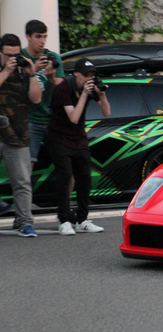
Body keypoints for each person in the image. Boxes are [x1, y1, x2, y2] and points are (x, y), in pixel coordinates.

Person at [48, 58, 110, 235]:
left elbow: (107, 112)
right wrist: (84, 94)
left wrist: (102, 94)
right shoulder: (64, 87)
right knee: (65, 176)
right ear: (76, 74)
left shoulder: (90, 87)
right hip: (58, 137)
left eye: (92, 75)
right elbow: (74, 117)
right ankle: (64, 220)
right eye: (85, 75)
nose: (89, 79)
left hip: (78, 138)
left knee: (85, 177)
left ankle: (83, 219)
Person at [0, 33, 41, 237]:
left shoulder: (24, 70)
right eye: (8, 55)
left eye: (15, 55)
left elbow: (36, 99)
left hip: (17, 133)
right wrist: (6, 71)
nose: (12, 59)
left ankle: (24, 222)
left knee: (22, 181)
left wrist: (32, 74)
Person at [22, 20, 65, 170]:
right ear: (28, 36)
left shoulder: (52, 57)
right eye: (38, 36)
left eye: (45, 37)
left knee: (65, 164)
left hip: (51, 119)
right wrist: (33, 69)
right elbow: (15, 88)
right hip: (30, 119)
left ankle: (66, 194)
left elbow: (61, 90)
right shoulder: (21, 57)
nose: (42, 41)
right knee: (28, 163)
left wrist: (51, 77)